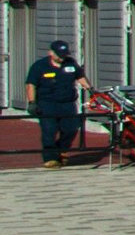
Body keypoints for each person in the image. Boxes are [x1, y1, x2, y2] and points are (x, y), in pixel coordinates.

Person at [23, 39, 90, 167]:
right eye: (59, 55)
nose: (62, 58)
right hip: (47, 103)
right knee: (49, 130)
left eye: (64, 55)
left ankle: (61, 149)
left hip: (67, 103)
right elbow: (31, 85)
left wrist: (89, 88)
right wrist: (32, 102)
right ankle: (50, 158)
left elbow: (80, 76)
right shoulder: (39, 66)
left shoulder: (71, 63)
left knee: (71, 128)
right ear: (51, 53)